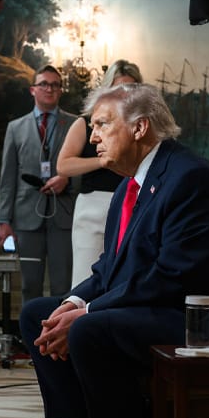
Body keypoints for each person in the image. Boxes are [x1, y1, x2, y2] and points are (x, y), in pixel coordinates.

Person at [18, 83, 209, 418]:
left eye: (102, 124)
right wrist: (73, 301)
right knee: (39, 315)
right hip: (164, 306)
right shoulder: (128, 185)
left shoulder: (189, 178)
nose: (93, 137)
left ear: (139, 128)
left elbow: (174, 275)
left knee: (89, 330)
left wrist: (88, 313)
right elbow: (109, 269)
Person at [56, 59, 144, 289]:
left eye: (131, 88)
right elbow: (63, 166)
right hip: (93, 208)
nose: (124, 94)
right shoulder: (86, 123)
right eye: (118, 88)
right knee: (85, 279)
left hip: (134, 205)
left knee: (127, 280)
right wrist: (102, 161)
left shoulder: (142, 126)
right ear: (107, 89)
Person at [0, 65, 78, 304]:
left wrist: (67, 179)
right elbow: (7, 178)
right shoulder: (16, 128)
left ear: (60, 90)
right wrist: (4, 220)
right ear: (33, 90)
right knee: (29, 285)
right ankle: (32, 329)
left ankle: (58, 329)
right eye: (44, 84)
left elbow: (84, 167)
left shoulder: (75, 125)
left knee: (63, 285)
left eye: (55, 85)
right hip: (26, 216)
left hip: (63, 215)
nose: (49, 89)